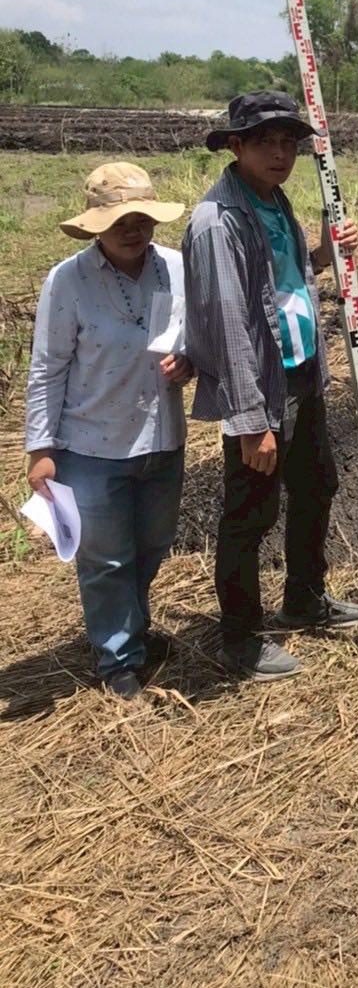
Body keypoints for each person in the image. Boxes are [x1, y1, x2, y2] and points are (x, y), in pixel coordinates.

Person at [182, 90, 358, 682]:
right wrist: (250, 421)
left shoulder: (273, 200)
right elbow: (228, 325)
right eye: (266, 142)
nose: (281, 153)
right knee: (250, 513)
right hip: (262, 388)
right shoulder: (218, 222)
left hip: (302, 373)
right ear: (236, 146)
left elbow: (284, 280)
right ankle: (239, 639)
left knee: (317, 485)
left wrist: (327, 252)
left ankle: (304, 598)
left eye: (289, 143)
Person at [25, 163, 193, 701]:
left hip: (162, 436)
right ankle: (117, 658)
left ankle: (131, 627)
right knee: (106, 558)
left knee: (152, 545)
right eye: (119, 220)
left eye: (141, 218)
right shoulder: (68, 280)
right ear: (96, 225)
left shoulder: (176, 267)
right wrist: (40, 448)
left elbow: (192, 338)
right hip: (90, 444)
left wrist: (189, 363)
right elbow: (48, 368)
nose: (132, 229)